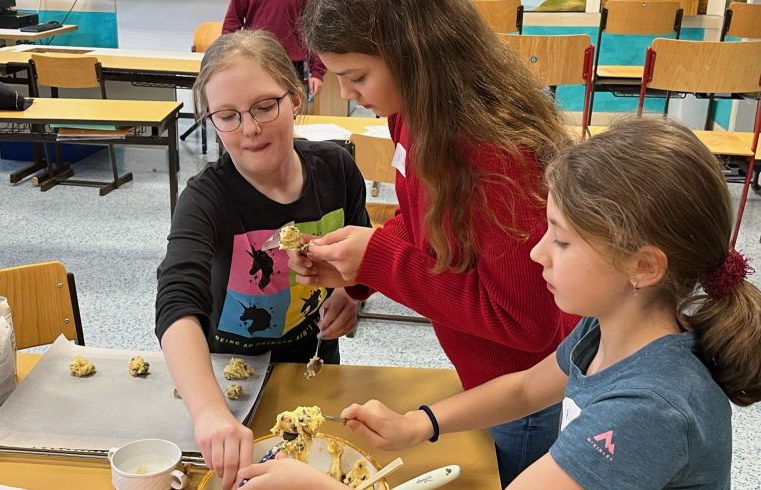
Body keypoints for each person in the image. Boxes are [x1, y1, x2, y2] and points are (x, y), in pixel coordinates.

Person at [239, 118, 761, 489]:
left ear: (643, 267)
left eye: (559, 239)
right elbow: (526, 386)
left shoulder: (648, 411)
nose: (536, 253)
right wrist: (419, 423)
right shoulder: (612, 326)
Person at [290, 0, 579, 484]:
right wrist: (358, 273)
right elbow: (422, 217)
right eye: (335, 74)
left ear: (411, 54)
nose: (346, 92)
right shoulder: (413, 110)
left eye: (357, 76)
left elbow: (526, 323)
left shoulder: (496, 157)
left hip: (519, 387)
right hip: (482, 371)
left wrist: (379, 263)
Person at [155, 30, 369, 489]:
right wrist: (210, 411)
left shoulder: (337, 170)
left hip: (311, 371)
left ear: (294, 98)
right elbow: (176, 304)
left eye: (263, 107)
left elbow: (363, 258)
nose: (249, 129)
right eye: (227, 116)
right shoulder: (206, 198)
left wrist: (350, 294)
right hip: (226, 385)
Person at [222, 0, 326, 99]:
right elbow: (231, 25)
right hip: (254, 61)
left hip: (292, 66)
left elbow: (314, 29)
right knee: (255, 109)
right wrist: (228, 64)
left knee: (293, 112)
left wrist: (317, 72)